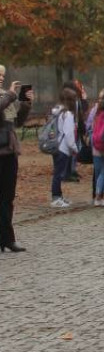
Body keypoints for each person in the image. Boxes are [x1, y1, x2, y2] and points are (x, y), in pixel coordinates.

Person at [0, 67, 33, 251]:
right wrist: (11, 95)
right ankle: (6, 238)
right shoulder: (7, 96)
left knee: (8, 197)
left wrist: (26, 104)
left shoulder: (6, 96)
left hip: (9, 152)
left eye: (2, 75)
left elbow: (16, 123)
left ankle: (6, 238)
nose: (0, 78)